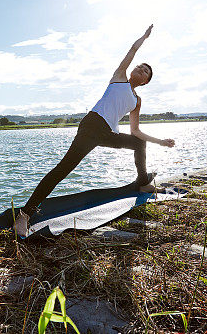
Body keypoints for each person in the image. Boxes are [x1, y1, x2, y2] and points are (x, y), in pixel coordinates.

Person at [13, 24, 176, 237]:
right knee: (63, 169)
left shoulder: (137, 100)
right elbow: (132, 51)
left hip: (109, 133)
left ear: (145, 81)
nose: (140, 69)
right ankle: (25, 215)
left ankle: (143, 183)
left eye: (145, 71)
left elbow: (136, 131)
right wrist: (144, 37)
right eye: (139, 66)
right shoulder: (119, 77)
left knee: (139, 143)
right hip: (91, 126)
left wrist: (161, 142)